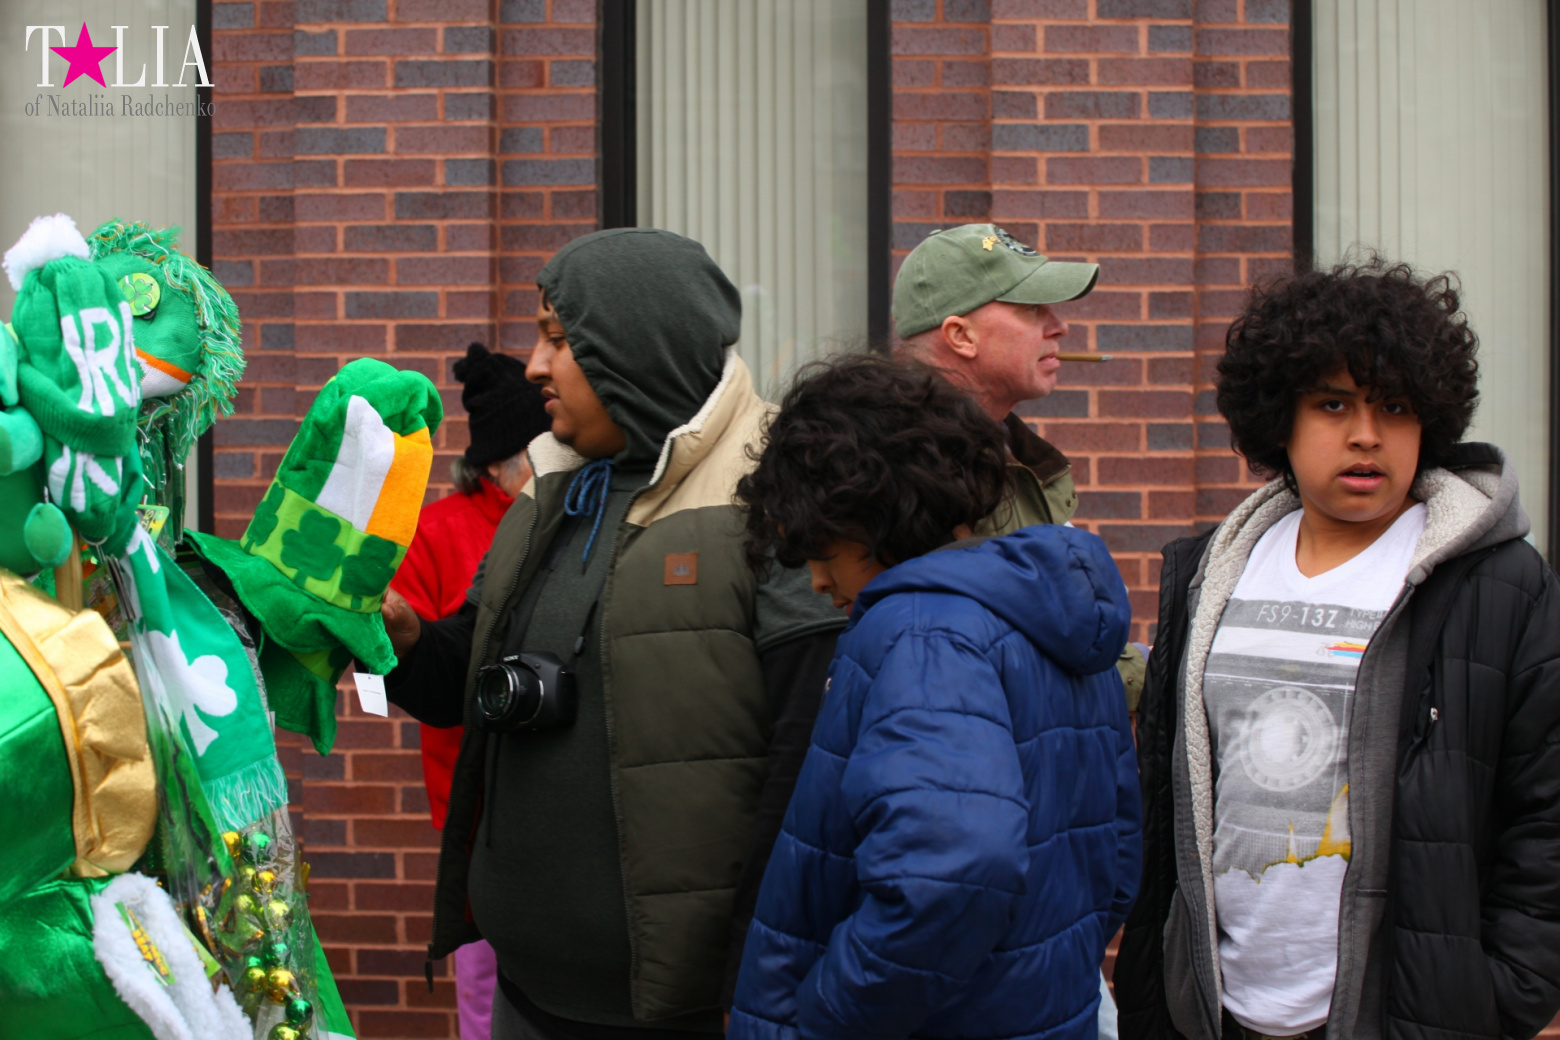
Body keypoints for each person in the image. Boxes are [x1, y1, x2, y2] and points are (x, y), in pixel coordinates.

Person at [378, 228, 847, 1040]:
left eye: (559, 340)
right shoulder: (549, 488)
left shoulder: (774, 494)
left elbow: (809, 761)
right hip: (526, 996)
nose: (533, 366)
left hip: (690, 1013)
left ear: (638, 347)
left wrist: (759, 980)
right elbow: (466, 681)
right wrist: (407, 639)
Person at [1113, 260, 1560, 1039]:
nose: (1366, 433)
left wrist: (1499, 995)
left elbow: (1545, 815)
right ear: (1278, 419)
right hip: (1216, 1012)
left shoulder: (1498, 585)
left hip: (1407, 1013)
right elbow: (1170, 801)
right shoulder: (1210, 572)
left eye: (1395, 406)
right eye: (1333, 404)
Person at [727, 356, 1143, 1040]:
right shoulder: (1044, 618)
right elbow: (1117, 848)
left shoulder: (922, 630)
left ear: (868, 514)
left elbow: (951, 870)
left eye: (821, 548)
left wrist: (829, 1015)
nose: (816, 581)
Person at [892, 222, 1147, 709]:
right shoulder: (907, 473)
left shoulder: (1004, 454)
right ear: (960, 335)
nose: (1059, 327)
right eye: (1031, 309)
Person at [388, 341, 549, 1040]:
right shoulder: (436, 530)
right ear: (493, 463)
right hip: (472, 786)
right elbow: (413, 654)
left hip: (554, 782)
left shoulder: (562, 513)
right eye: (531, 450)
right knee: (483, 974)